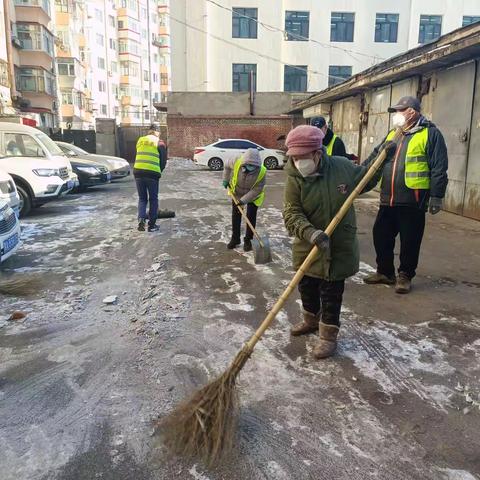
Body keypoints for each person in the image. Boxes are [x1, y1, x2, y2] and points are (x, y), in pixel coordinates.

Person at [283, 125, 396, 359]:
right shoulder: (294, 178)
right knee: (307, 288)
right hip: (308, 245)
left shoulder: (341, 167)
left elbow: (365, 179)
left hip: (338, 246)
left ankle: (327, 336)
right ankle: (311, 321)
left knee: (332, 293)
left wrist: (381, 155)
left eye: (303, 157)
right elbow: (292, 212)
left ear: (317, 153)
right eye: (294, 158)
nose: (298, 162)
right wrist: (310, 233)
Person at [363, 96, 448, 294]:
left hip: (413, 199)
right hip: (388, 197)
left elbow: (439, 167)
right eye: (396, 111)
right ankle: (385, 272)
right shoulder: (394, 134)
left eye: (401, 110)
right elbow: (375, 158)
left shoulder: (431, 134)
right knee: (381, 235)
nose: (397, 114)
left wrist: (436, 196)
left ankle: (405, 275)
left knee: (410, 240)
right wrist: (359, 179)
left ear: (413, 111)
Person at [223, 148, 267, 252]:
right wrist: (225, 179)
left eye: (253, 166)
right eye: (247, 165)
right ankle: (235, 239)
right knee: (236, 215)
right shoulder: (236, 161)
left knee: (251, 217)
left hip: (253, 196)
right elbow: (226, 166)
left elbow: (257, 189)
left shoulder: (262, 171)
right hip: (237, 192)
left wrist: (243, 201)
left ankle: (248, 241)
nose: (249, 167)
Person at [133, 124, 167, 232]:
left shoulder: (140, 140)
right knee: (153, 199)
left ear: (149, 131)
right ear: (157, 132)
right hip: (152, 173)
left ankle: (141, 220)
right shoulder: (160, 142)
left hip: (138, 172)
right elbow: (163, 160)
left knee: (142, 198)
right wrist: (159, 170)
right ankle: (152, 225)